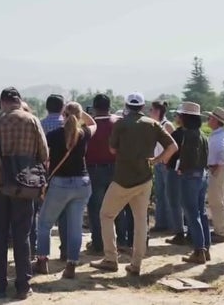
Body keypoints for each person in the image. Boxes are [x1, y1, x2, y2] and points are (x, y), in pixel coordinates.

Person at [91, 92, 177, 276]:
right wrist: (157, 160)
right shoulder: (153, 124)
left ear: (127, 105)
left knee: (106, 215)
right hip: (145, 177)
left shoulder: (121, 124)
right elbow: (173, 147)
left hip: (123, 178)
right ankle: (136, 264)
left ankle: (110, 258)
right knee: (140, 221)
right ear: (143, 106)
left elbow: (113, 149)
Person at [0, 87, 48, 300]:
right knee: (22, 235)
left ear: (2, 102)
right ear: (20, 101)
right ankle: (23, 285)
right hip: (25, 186)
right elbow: (44, 153)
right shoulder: (33, 121)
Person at [35, 101, 96, 278]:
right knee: (75, 227)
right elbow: (93, 124)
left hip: (60, 183)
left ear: (63, 115)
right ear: (79, 116)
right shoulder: (84, 134)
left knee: (44, 223)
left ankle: (42, 260)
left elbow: (42, 154)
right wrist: (81, 113)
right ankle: (71, 264)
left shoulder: (54, 135)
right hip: (83, 183)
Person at [85, 94, 130, 255]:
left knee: (96, 208)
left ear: (94, 107)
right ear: (109, 106)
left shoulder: (90, 126)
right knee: (118, 207)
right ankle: (121, 240)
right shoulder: (118, 123)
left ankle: (98, 243)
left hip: (94, 170)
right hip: (116, 168)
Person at [175, 102, 211, 264]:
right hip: (202, 175)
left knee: (191, 213)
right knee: (201, 212)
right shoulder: (202, 134)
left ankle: (198, 250)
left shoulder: (189, 135)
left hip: (191, 176)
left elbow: (190, 156)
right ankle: (206, 248)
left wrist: (181, 168)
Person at [38, 94, 67, 260]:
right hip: (67, 172)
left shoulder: (40, 124)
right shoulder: (68, 125)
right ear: (62, 107)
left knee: (44, 216)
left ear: (47, 107)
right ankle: (65, 251)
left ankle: (42, 254)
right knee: (65, 215)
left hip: (46, 174)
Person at [204, 107, 224, 244]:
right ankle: (220, 229)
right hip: (219, 170)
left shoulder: (220, 136)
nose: (208, 120)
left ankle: (221, 232)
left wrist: (217, 166)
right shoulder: (219, 134)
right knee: (216, 201)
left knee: (216, 201)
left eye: (210, 118)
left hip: (218, 170)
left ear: (215, 120)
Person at [149, 101, 175, 233]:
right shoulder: (155, 125)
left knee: (168, 194)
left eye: (151, 109)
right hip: (158, 163)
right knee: (160, 194)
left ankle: (171, 224)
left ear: (158, 111)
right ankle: (161, 223)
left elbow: (174, 146)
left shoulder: (167, 125)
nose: (149, 112)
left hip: (166, 163)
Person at [164, 110, 188, 245]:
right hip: (189, 172)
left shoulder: (177, 134)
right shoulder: (195, 134)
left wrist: (163, 160)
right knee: (187, 203)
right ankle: (189, 232)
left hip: (174, 171)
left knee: (174, 201)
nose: (175, 118)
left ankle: (179, 232)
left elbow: (169, 150)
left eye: (177, 116)